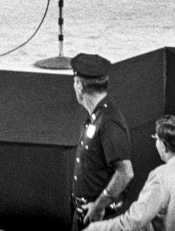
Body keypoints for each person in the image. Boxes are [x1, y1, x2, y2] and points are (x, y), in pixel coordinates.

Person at [86, 115, 175, 231]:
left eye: (156, 138)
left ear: (162, 145)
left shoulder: (161, 176)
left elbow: (133, 221)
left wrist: (95, 228)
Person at [71, 53, 134, 230]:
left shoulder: (108, 121)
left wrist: (99, 206)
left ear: (79, 85)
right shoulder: (97, 115)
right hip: (86, 213)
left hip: (100, 218)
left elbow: (125, 172)